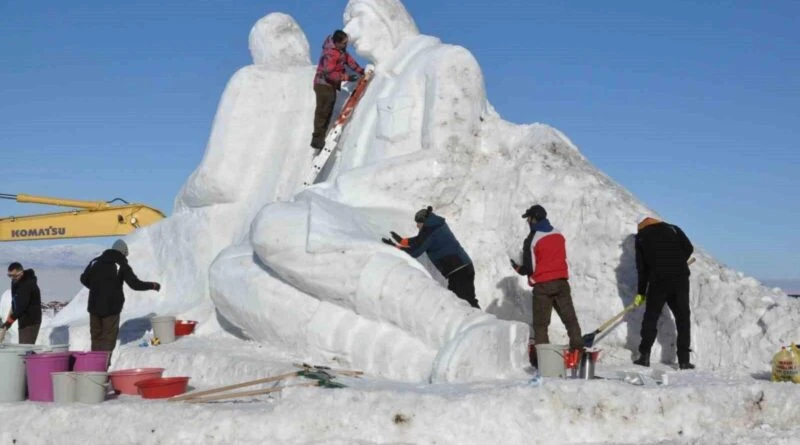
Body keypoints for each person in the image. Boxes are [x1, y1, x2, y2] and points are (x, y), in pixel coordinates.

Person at [511, 205, 583, 360]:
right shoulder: (558, 234)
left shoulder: (532, 239)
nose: (528, 222)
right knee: (570, 319)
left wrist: (516, 267)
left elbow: (529, 268)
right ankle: (578, 352)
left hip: (543, 286)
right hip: (562, 283)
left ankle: (544, 360)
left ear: (533, 219)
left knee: (541, 324)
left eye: (528, 218)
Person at [383, 206, 480, 309]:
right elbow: (421, 240)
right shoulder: (436, 225)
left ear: (423, 222)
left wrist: (396, 247)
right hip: (463, 267)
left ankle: (481, 323)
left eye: (418, 223)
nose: (417, 226)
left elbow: (416, 251)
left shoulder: (430, 231)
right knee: (466, 301)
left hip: (458, 271)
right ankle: (481, 322)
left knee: (462, 303)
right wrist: (403, 241)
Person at [632, 215, 695, 370]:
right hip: (680, 277)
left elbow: (642, 268)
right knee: (683, 318)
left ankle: (644, 356)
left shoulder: (641, 237)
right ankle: (684, 361)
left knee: (651, 316)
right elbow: (689, 248)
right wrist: (678, 261)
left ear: (641, 226)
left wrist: (641, 292)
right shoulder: (673, 228)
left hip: (658, 279)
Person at [80, 239, 161, 355]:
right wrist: (152, 285)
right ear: (123, 253)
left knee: (96, 337)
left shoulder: (95, 262)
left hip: (94, 307)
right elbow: (134, 284)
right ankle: (104, 365)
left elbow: (83, 279)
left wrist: (96, 288)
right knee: (108, 338)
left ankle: (95, 366)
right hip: (111, 307)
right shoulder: (121, 264)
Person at [311, 30, 366, 150]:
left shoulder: (341, 51)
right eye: (343, 43)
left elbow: (350, 61)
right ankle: (317, 138)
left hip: (331, 85)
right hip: (322, 83)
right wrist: (347, 77)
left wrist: (360, 71)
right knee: (323, 109)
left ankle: (322, 135)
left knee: (329, 107)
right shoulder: (330, 54)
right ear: (337, 42)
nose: (346, 45)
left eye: (346, 43)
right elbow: (328, 73)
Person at [3, 262, 42, 344]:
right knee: (24, 346)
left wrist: (9, 322)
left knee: (25, 348)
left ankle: (33, 356)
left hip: (31, 320)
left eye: (14, 276)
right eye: (10, 276)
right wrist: (8, 322)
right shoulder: (16, 282)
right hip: (23, 319)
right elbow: (15, 301)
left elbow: (21, 307)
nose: (12, 278)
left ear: (21, 273)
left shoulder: (26, 284)